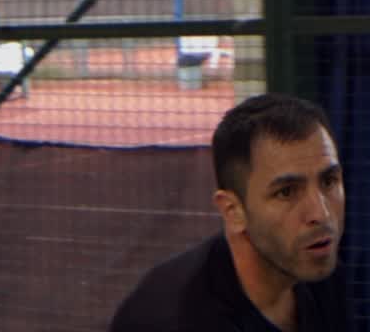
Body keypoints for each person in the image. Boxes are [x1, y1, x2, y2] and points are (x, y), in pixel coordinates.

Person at [108, 94, 349, 332]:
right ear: (233, 211)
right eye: (286, 192)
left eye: (329, 181)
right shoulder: (178, 320)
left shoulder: (319, 272)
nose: (322, 213)